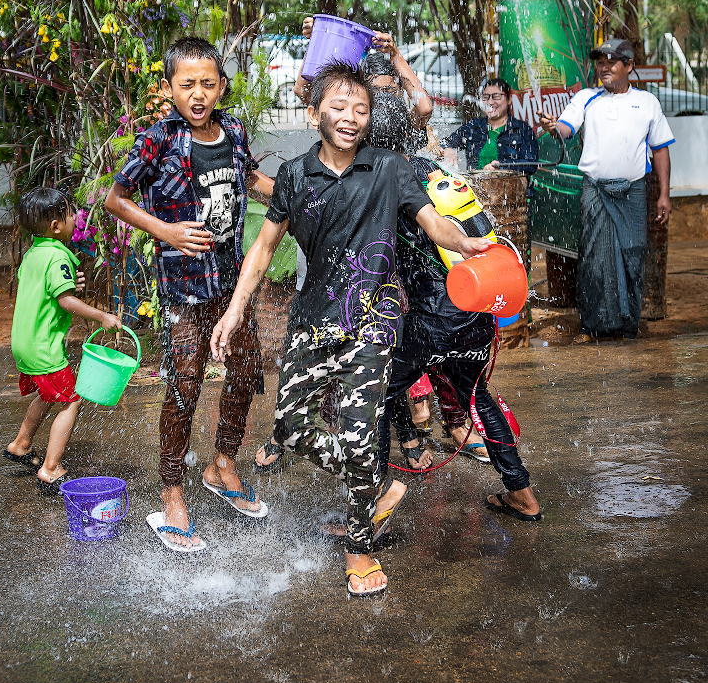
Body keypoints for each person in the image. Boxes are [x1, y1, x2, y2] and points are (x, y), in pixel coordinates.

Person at [209, 60, 493, 597]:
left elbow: (431, 220)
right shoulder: (294, 175)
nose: (350, 118)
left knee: (362, 431)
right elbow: (264, 249)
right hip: (313, 320)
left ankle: (360, 548)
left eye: (360, 110)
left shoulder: (389, 168)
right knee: (292, 427)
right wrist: (234, 309)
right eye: (338, 108)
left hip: (375, 318)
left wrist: (463, 243)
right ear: (314, 112)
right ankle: (376, 484)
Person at [105, 37, 274, 553]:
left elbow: (250, 180)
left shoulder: (235, 131)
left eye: (207, 84)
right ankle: (172, 490)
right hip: (182, 288)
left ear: (221, 87)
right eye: (187, 85)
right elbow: (114, 198)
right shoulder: (156, 140)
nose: (198, 94)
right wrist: (166, 231)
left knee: (247, 368)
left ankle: (222, 463)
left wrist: (300, 190)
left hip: (230, 283)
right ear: (170, 89)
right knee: (185, 383)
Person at [366, 91, 540, 535]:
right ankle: (521, 492)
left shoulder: (386, 179)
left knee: (373, 397)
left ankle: (371, 506)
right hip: (476, 313)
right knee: (479, 396)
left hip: (432, 321)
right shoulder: (438, 173)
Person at [540, 38, 674, 342]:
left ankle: (628, 324)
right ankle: (595, 325)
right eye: (600, 62)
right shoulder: (587, 98)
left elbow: (661, 150)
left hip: (634, 192)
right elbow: (565, 128)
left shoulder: (647, 102)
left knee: (633, 254)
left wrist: (664, 194)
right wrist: (553, 127)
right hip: (596, 190)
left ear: (629, 66)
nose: (604, 68)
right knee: (594, 257)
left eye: (611, 62)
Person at [4, 187, 122, 494]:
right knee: (71, 400)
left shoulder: (34, 252)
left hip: (25, 341)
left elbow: (46, 290)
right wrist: (102, 316)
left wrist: (70, 285)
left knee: (47, 395)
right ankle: (51, 468)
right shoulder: (58, 255)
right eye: (70, 214)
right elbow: (65, 301)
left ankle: (20, 444)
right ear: (56, 226)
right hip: (44, 346)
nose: (74, 218)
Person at [295, 17, 434, 135]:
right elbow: (302, 91)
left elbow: (425, 108)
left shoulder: (405, 125)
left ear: (401, 92)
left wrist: (395, 54)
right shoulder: (353, 126)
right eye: (376, 92)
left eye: (389, 91)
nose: (383, 98)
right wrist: (317, 39)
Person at [441, 77, 538, 177]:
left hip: (511, 188)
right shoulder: (473, 126)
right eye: (486, 97)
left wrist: (500, 166)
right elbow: (445, 143)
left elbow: (531, 165)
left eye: (496, 96)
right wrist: (447, 149)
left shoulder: (522, 129)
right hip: (476, 188)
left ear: (509, 99)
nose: (490, 102)